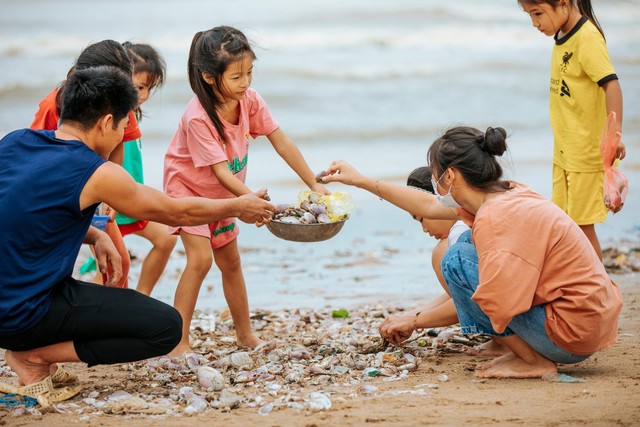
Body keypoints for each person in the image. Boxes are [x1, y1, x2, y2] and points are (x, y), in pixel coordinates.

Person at [0, 66, 275, 403]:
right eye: (122, 125)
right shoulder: (96, 172)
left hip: (11, 300)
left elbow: (24, 214)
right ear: (105, 123)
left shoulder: (15, 142)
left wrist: (95, 236)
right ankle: (33, 356)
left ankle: (29, 347)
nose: (122, 136)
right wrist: (237, 206)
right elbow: (175, 211)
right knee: (165, 327)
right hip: (22, 313)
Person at [321, 126, 622, 379]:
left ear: (450, 176)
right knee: (463, 249)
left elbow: (494, 300)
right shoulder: (507, 193)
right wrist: (359, 180)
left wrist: (415, 320)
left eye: (436, 175)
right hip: (588, 323)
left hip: (570, 336)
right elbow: (426, 204)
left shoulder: (494, 218)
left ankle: (534, 361)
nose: (434, 184)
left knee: (456, 260)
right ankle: (521, 352)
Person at [163, 26, 329, 353]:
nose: (246, 83)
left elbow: (281, 141)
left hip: (228, 195)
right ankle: (178, 341)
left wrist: (313, 181)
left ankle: (245, 334)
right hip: (188, 193)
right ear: (209, 77)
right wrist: (247, 199)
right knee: (200, 260)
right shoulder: (198, 117)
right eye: (237, 77)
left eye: (250, 73)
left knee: (232, 262)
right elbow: (220, 170)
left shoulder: (249, 100)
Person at [518, 0, 625, 260]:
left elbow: (611, 85)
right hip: (565, 151)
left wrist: (615, 133)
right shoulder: (562, 33)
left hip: (585, 153)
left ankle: (599, 290)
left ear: (563, 3)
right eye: (530, 15)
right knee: (566, 222)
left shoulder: (586, 37)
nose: (535, 23)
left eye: (538, 13)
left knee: (582, 228)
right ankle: (583, 283)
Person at [30, 39, 137, 287]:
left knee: (118, 261)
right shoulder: (53, 105)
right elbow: (36, 152)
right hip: (56, 194)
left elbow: (120, 144)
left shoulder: (123, 103)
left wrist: (112, 194)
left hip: (97, 188)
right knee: (53, 262)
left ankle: (112, 318)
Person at [114, 42, 178, 295]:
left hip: (130, 198)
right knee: (113, 267)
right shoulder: (113, 115)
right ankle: (96, 322)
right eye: (138, 87)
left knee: (167, 238)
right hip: (112, 201)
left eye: (148, 88)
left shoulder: (134, 114)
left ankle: (140, 298)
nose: (143, 95)